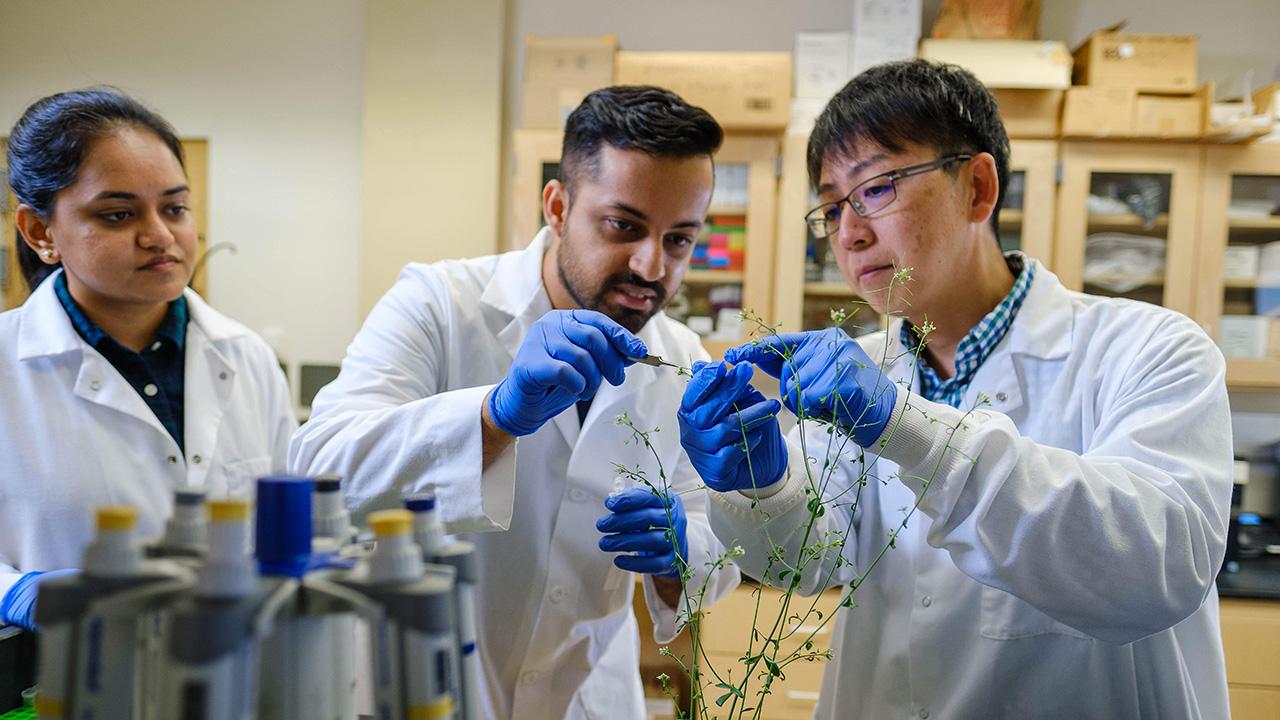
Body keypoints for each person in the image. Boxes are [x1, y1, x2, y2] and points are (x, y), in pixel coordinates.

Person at [679, 59, 1232, 719]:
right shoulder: (862, 373)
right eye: (830, 208)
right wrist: (762, 484)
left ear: (977, 186)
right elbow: (808, 562)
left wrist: (907, 431)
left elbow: (1157, 572)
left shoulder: (1154, 349)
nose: (849, 233)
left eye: (876, 188)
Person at [289, 85, 740, 720]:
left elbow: (711, 544)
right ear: (557, 206)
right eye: (624, 226)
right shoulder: (438, 304)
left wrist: (679, 556)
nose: (651, 265)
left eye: (679, 241)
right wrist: (495, 415)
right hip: (423, 687)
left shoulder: (684, 359)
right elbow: (316, 472)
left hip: (587, 700)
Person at [0, 88, 296, 631]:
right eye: (117, 214)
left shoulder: (248, 357)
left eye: (176, 208)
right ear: (41, 232)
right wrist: (12, 591)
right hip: (62, 681)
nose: (160, 236)